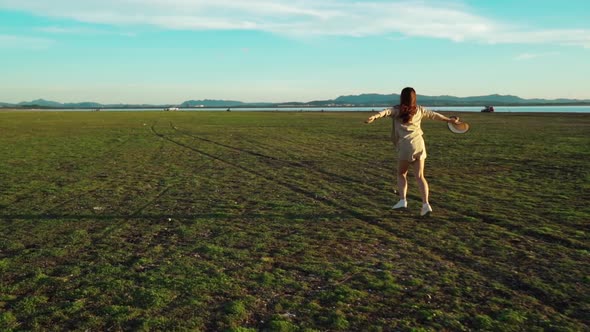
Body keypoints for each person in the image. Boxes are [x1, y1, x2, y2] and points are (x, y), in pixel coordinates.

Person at [365, 87, 460, 216]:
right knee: (420, 176)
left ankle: (403, 200)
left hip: (405, 146)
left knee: (401, 174)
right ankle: (426, 205)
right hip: (419, 145)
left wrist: (374, 117)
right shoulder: (419, 110)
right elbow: (434, 115)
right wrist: (449, 120)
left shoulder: (397, 110)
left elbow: (386, 112)